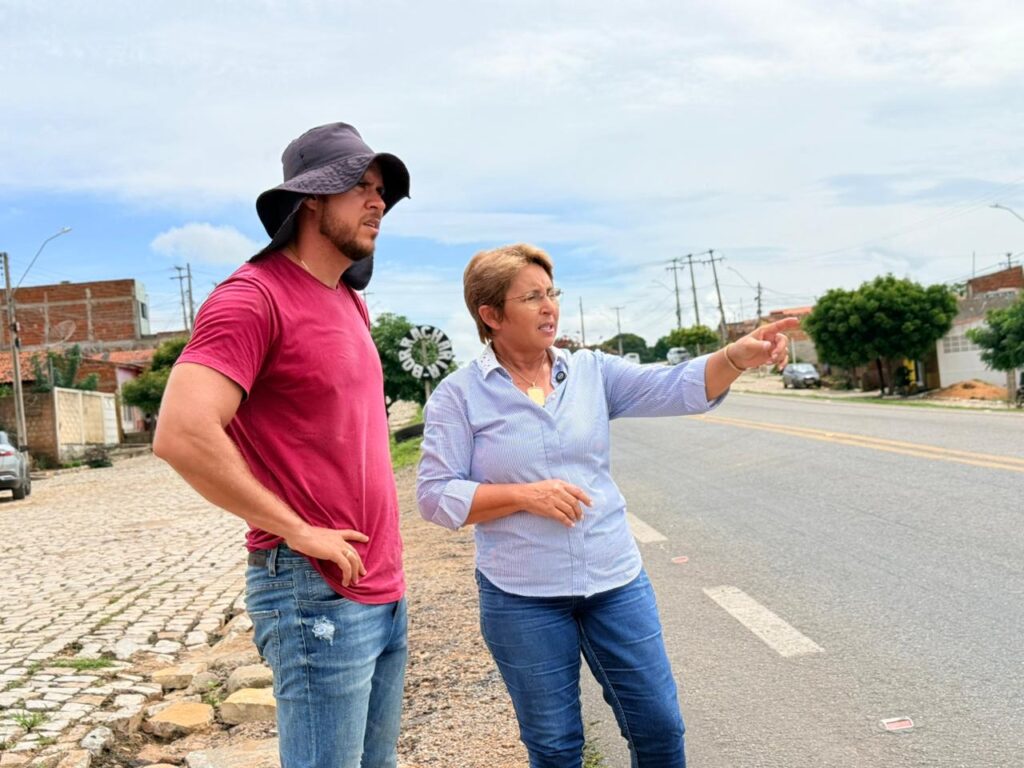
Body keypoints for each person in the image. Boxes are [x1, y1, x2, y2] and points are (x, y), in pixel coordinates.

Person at [416, 243, 798, 768]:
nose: (549, 307)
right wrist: (524, 496)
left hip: (615, 582)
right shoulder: (458, 395)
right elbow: (434, 495)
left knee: (660, 729)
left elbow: (671, 386)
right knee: (555, 749)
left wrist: (734, 358)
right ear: (491, 315)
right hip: (522, 597)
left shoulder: (591, 372)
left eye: (552, 293)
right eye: (531, 297)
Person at [154, 122, 411, 768]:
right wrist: (297, 529)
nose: (377, 202)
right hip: (312, 586)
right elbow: (182, 432)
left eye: (382, 190)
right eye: (360, 186)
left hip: (379, 584)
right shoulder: (253, 298)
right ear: (312, 200)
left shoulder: (348, 302)